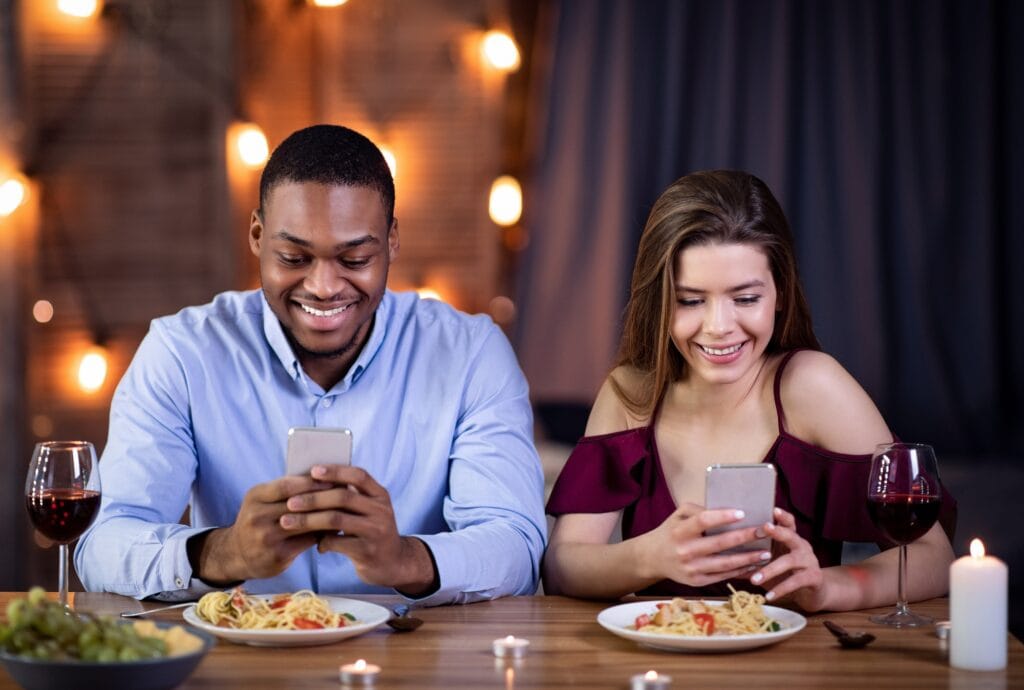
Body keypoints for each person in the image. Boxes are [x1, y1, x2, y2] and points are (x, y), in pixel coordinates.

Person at [75, 124, 547, 605]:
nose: (323, 286)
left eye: (355, 258)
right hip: (240, 663)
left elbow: (518, 546)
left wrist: (404, 560)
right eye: (294, 256)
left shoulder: (470, 354)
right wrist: (225, 553)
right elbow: (100, 545)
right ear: (257, 236)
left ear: (392, 242)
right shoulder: (181, 353)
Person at [542, 170, 956, 611]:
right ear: (659, 301)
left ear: (779, 292)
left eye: (744, 298)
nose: (719, 327)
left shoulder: (814, 386)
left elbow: (934, 558)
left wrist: (826, 589)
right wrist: (650, 555)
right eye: (690, 300)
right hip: (659, 669)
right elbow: (564, 565)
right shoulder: (630, 393)